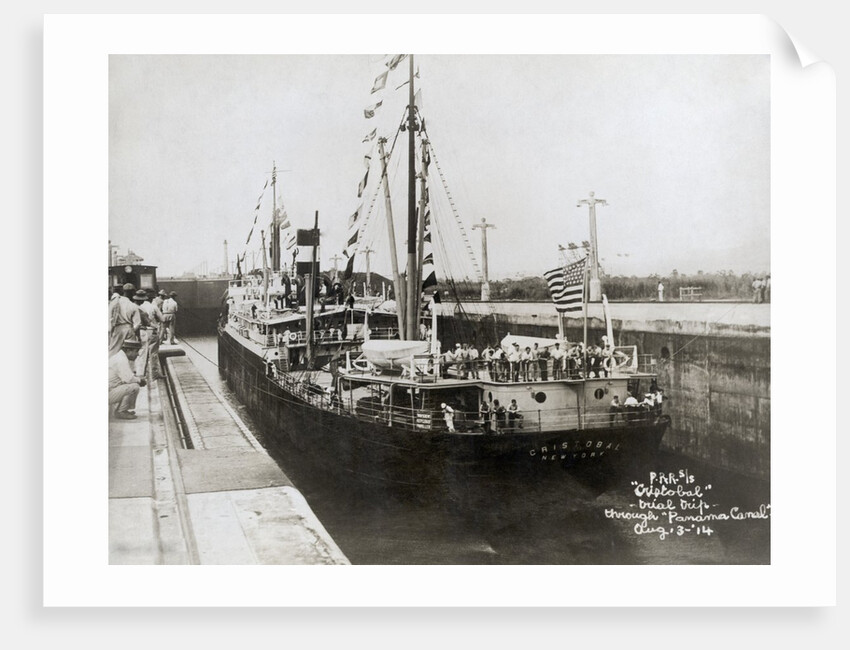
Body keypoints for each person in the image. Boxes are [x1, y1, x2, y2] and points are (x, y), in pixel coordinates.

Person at [109, 340, 146, 420]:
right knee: (134, 387)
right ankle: (121, 412)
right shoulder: (121, 360)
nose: (137, 354)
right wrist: (140, 380)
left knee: (130, 384)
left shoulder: (120, 357)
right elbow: (129, 379)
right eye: (136, 351)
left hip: (111, 390)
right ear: (129, 351)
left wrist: (137, 379)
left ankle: (122, 410)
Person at [108, 283, 142, 357]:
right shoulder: (133, 305)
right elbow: (137, 324)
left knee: (114, 351)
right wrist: (135, 333)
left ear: (123, 291)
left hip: (117, 328)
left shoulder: (115, 302)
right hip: (129, 329)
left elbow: (110, 317)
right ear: (133, 293)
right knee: (129, 353)